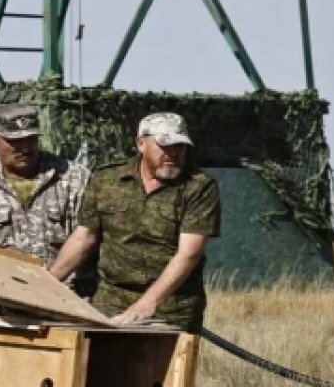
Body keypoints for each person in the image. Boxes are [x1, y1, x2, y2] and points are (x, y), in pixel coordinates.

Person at [48, 112, 220, 331]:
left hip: (170, 310)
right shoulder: (107, 180)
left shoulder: (199, 187)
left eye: (180, 146)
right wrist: (47, 284)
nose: (173, 153)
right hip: (110, 304)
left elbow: (189, 253)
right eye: (164, 146)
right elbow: (85, 236)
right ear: (141, 144)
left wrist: (147, 304)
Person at [0, 103, 93, 293]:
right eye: (14, 141)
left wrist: (47, 287)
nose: (25, 148)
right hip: (5, 295)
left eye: (31, 139)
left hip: (69, 295)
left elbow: (88, 238)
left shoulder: (74, 178)